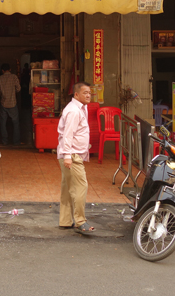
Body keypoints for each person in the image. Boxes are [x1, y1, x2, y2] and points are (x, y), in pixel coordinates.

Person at [57, 82, 94, 236]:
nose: (88, 95)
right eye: (85, 92)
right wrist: (67, 156)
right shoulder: (73, 111)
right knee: (80, 187)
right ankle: (80, 221)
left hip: (72, 154)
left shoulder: (80, 109)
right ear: (76, 94)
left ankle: (65, 221)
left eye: (89, 93)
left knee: (67, 188)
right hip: (72, 155)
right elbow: (68, 134)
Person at [0, 63, 21, 145]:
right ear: (10, 69)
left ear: (2, 71)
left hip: (3, 103)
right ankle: (16, 141)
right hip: (13, 103)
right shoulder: (14, 77)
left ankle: (4, 141)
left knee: (3, 123)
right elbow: (19, 88)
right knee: (15, 123)